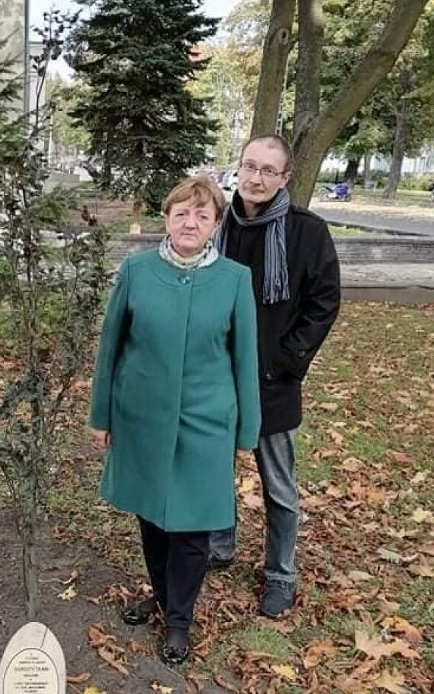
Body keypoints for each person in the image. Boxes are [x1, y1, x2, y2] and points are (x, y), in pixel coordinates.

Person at [90, 175, 260, 665]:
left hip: (206, 421)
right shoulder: (137, 271)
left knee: (193, 526)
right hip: (141, 417)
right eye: (182, 212)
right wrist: (101, 415)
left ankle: (179, 619)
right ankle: (162, 597)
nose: (191, 222)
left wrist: (247, 430)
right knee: (152, 516)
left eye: (202, 215)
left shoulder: (233, 279)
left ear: (214, 225)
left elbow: (244, 358)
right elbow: (111, 347)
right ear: (167, 218)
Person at [208, 133, 341, 617]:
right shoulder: (218, 224)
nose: (256, 178)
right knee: (215, 471)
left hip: (272, 380)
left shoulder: (306, 232)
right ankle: (219, 547)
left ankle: (280, 573)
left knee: (278, 485)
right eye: (249, 167)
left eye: (268, 170)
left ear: (285, 178)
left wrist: (284, 360)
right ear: (237, 170)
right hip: (216, 376)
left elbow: (324, 302)